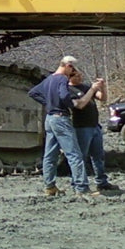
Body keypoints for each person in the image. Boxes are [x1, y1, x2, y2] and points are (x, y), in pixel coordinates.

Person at [28, 56, 101, 198]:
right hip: (61, 119)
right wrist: (70, 104)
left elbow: (33, 93)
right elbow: (63, 95)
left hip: (49, 119)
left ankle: (50, 187)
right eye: (72, 69)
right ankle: (82, 188)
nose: (72, 73)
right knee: (74, 154)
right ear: (67, 65)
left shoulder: (49, 79)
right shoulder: (61, 79)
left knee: (50, 155)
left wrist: (49, 104)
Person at [68, 68, 120, 192]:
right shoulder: (68, 90)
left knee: (98, 156)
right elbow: (80, 105)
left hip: (94, 126)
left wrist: (101, 87)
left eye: (80, 75)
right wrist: (92, 89)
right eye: (77, 75)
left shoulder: (85, 87)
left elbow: (102, 98)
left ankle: (102, 181)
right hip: (81, 127)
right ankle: (78, 183)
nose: (80, 77)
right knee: (81, 157)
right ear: (70, 77)